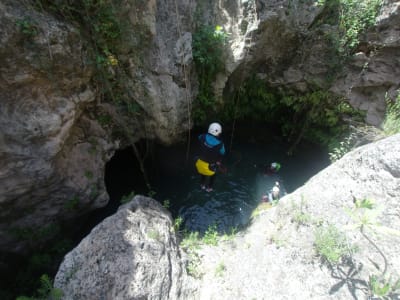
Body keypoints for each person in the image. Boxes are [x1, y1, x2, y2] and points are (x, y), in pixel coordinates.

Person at [195, 122, 225, 192]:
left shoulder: (202, 136)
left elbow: (199, 138)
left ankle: (202, 185)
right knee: (213, 174)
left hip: (199, 165)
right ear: (218, 133)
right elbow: (223, 153)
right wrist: (218, 161)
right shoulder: (220, 144)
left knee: (203, 172)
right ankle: (209, 187)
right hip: (209, 169)